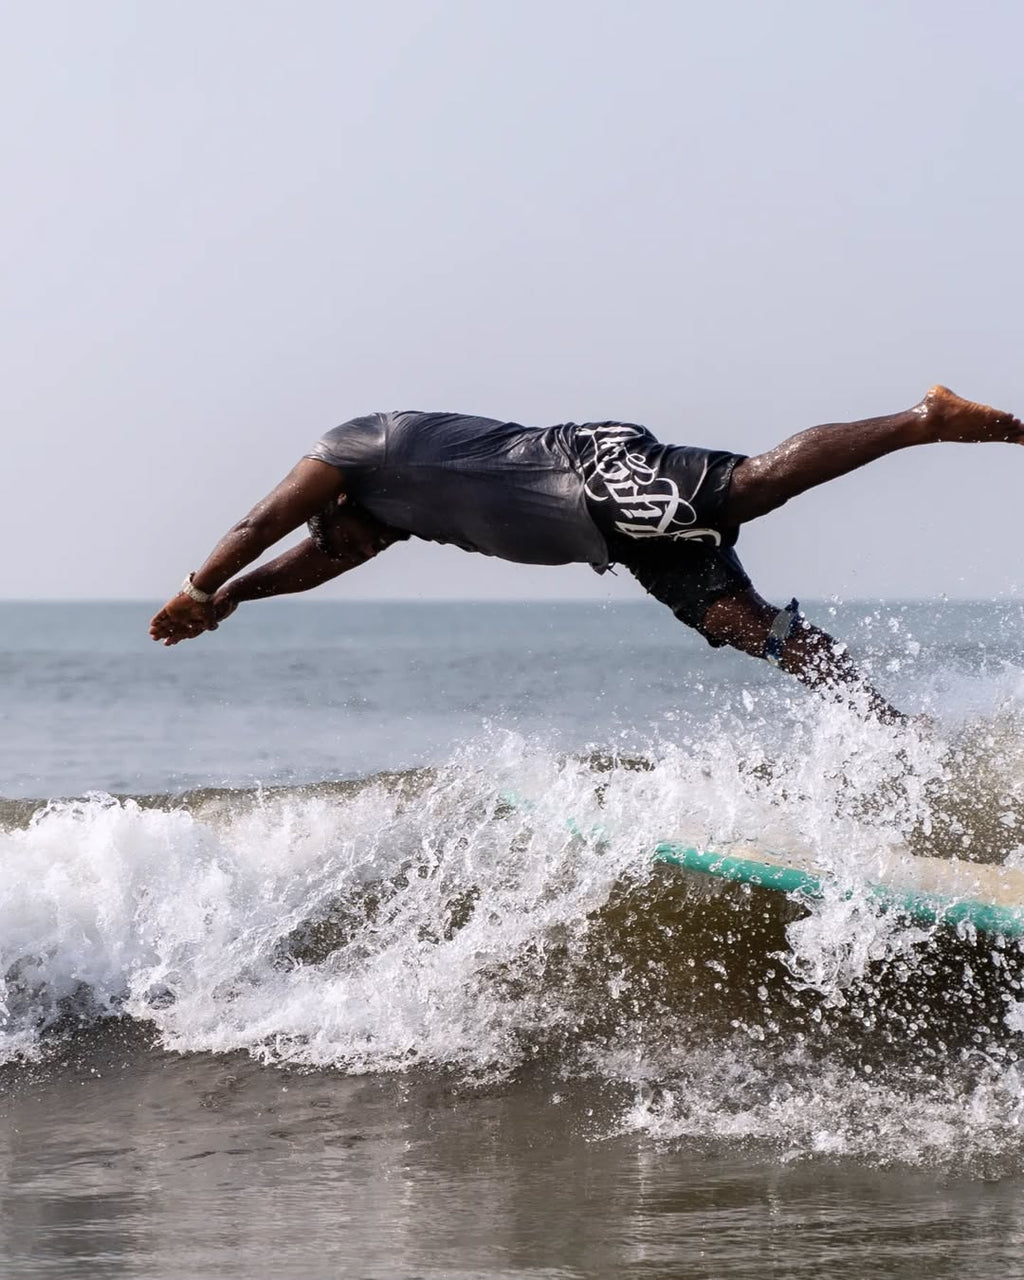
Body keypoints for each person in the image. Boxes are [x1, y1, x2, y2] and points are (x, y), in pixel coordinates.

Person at [149, 386, 1023, 723]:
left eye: (323, 523)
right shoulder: (378, 516)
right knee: (747, 624)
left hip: (593, 473)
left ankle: (925, 420)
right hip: (618, 538)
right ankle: (891, 727)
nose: (329, 543)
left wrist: (200, 584)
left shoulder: (356, 444)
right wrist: (231, 605)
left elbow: (263, 522)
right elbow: (317, 559)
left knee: (750, 485)